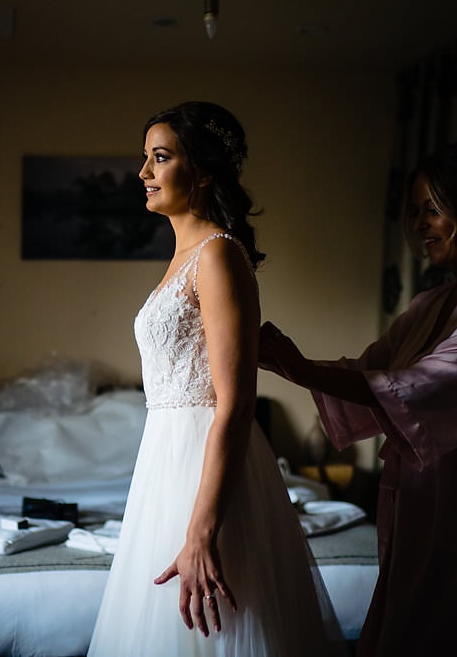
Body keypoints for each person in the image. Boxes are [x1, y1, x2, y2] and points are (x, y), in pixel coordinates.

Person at [259, 138, 457, 656]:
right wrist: (293, 366)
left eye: (432, 210)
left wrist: (301, 368)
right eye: (415, 211)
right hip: (417, 489)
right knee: (406, 628)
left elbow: (429, 385)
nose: (419, 224)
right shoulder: (431, 303)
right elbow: (373, 372)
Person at [88, 101, 339, 657]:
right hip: (163, 462)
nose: (144, 173)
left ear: (202, 172)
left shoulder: (218, 255)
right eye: (145, 159)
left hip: (207, 464)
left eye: (160, 158)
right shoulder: (182, 260)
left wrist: (201, 529)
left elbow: (236, 403)